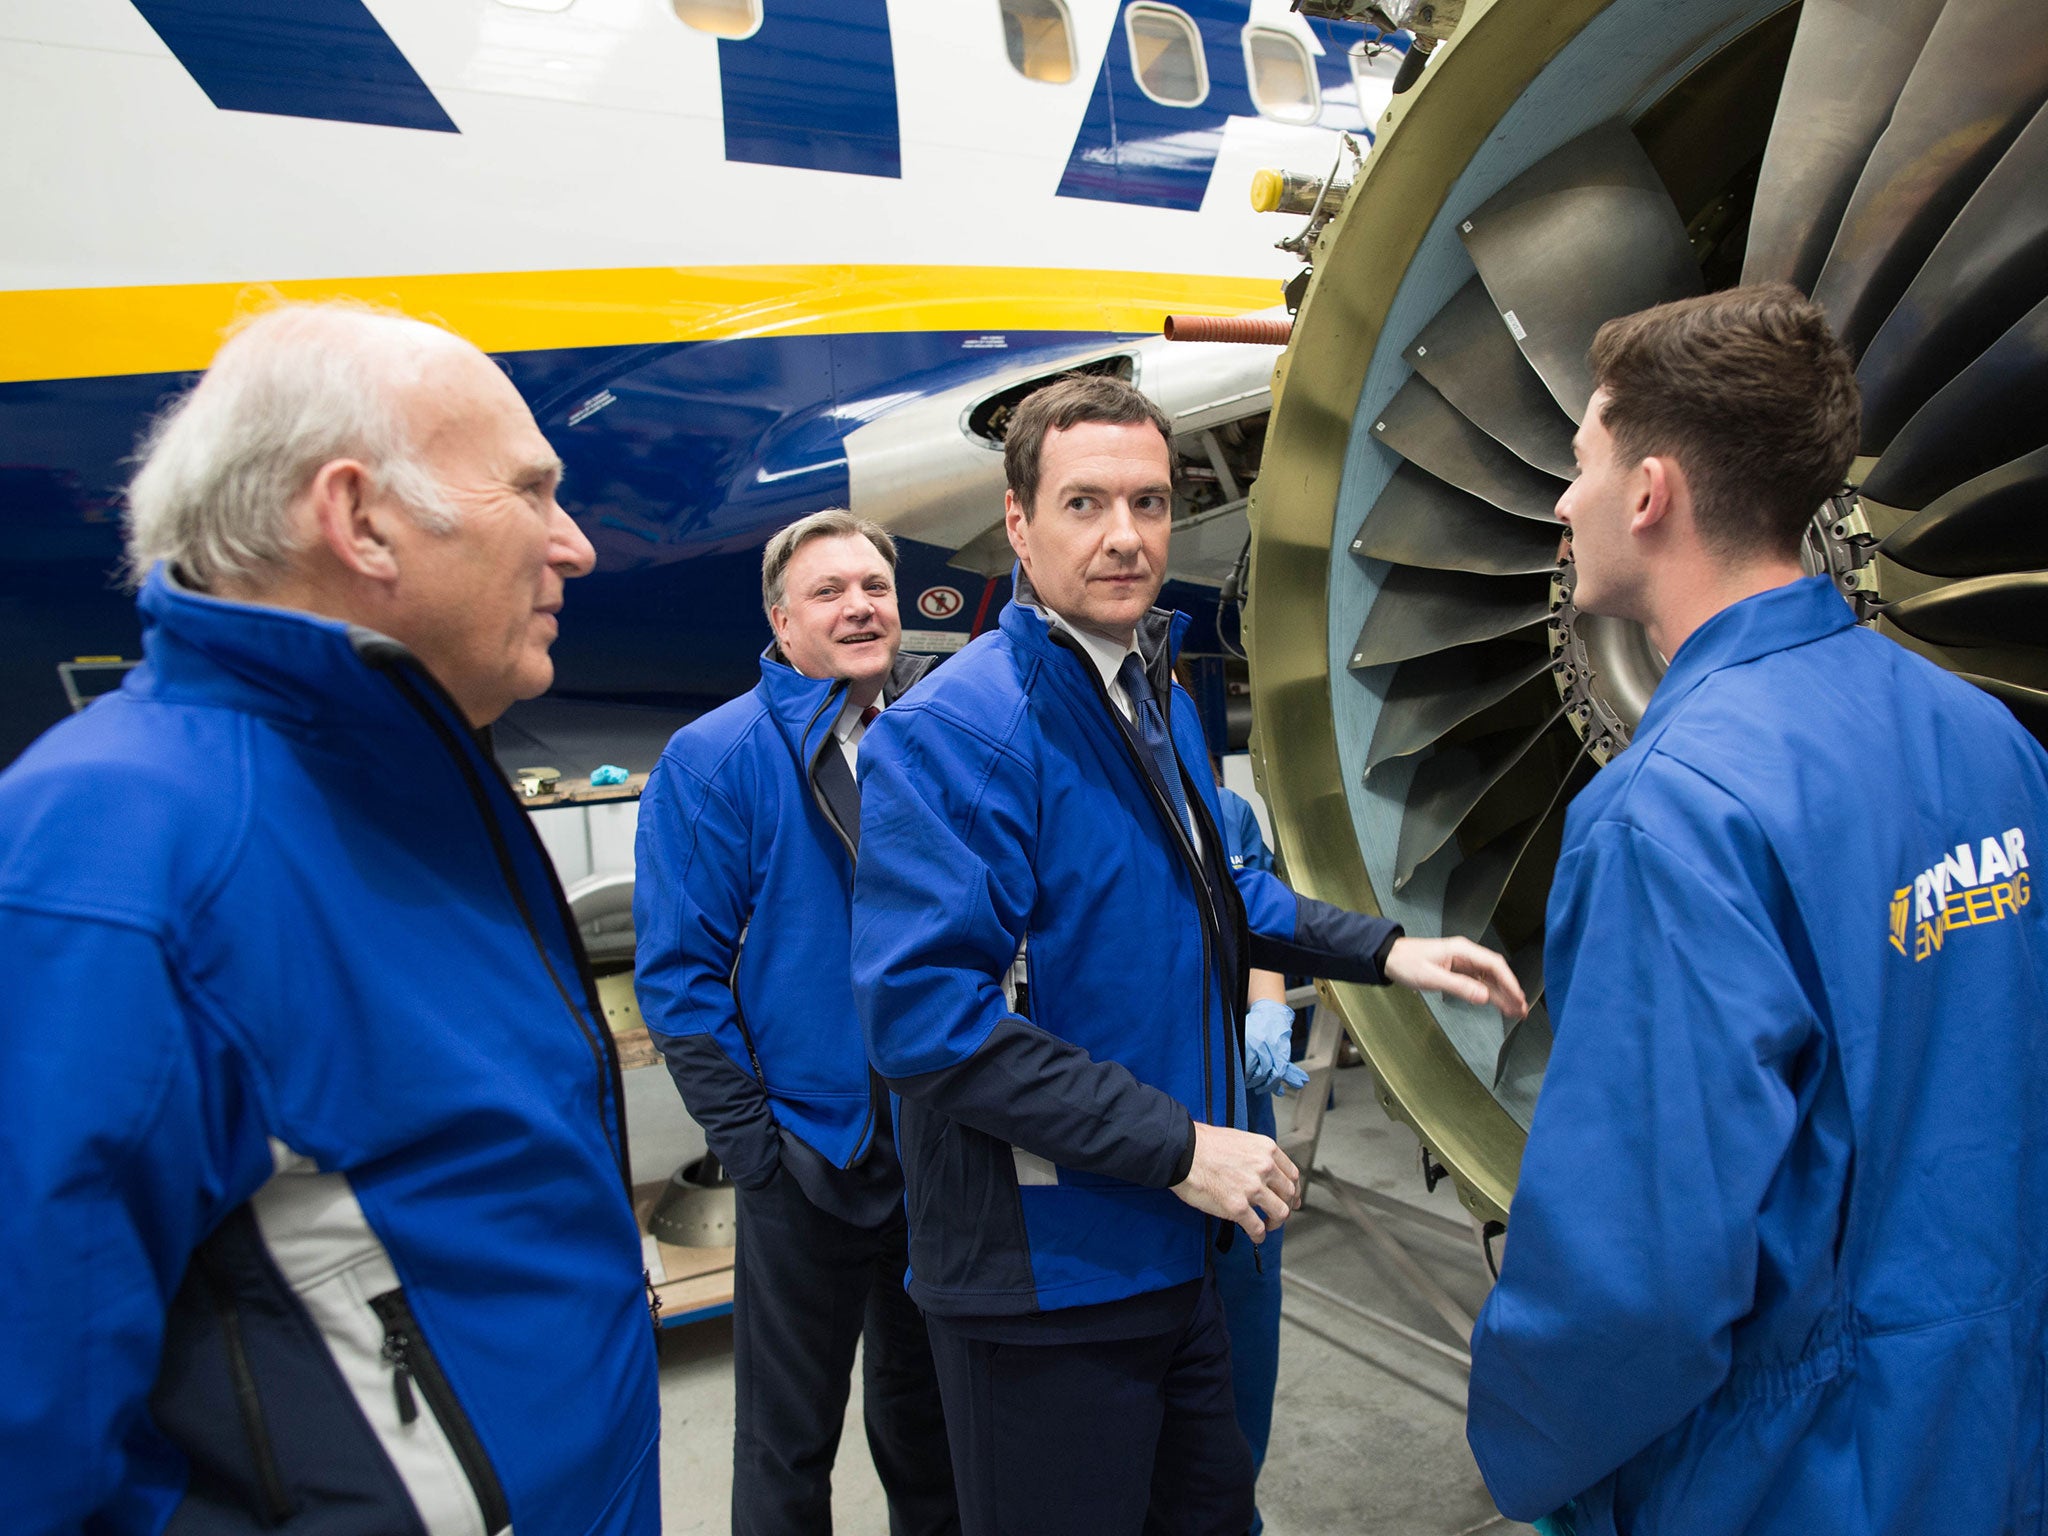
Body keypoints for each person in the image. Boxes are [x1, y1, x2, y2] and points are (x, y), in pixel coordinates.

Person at [0, 302, 661, 1533]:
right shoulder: (113, 854)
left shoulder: (407, 784)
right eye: (532, 491)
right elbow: (34, 1440)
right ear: (358, 518)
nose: (574, 545)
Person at [850, 373, 1527, 1536]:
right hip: (1048, 1286)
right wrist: (1177, 1146)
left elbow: (1223, 888)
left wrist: (1391, 953)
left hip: (1173, 1250)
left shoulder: (1137, 692)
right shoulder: (964, 731)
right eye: (1085, 504)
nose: (1126, 537)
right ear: (1016, 524)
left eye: (1151, 504)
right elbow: (923, 1022)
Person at [1465, 284, 2048, 1534]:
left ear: (1649, 492)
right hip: (1988, 1427)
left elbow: (1639, 1270)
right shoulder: (1990, 741)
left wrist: (1528, 1438)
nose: (1562, 504)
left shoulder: (1669, 813)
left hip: (1791, 1471)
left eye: (1579, 466)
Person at [633, 509, 956, 1536]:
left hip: (936, 1150)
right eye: (828, 592)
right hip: (807, 1160)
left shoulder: (932, 737)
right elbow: (678, 978)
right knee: (785, 1443)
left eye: (874, 587)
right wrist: (758, 1155)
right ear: (781, 619)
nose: (859, 606)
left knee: (931, 1427)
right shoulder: (715, 756)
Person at [1206, 769, 1302, 1536]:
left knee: (1243, 1366)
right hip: (1149, 1137)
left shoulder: (1226, 809)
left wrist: (1267, 1008)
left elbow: (1259, 919)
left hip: (1241, 1117)